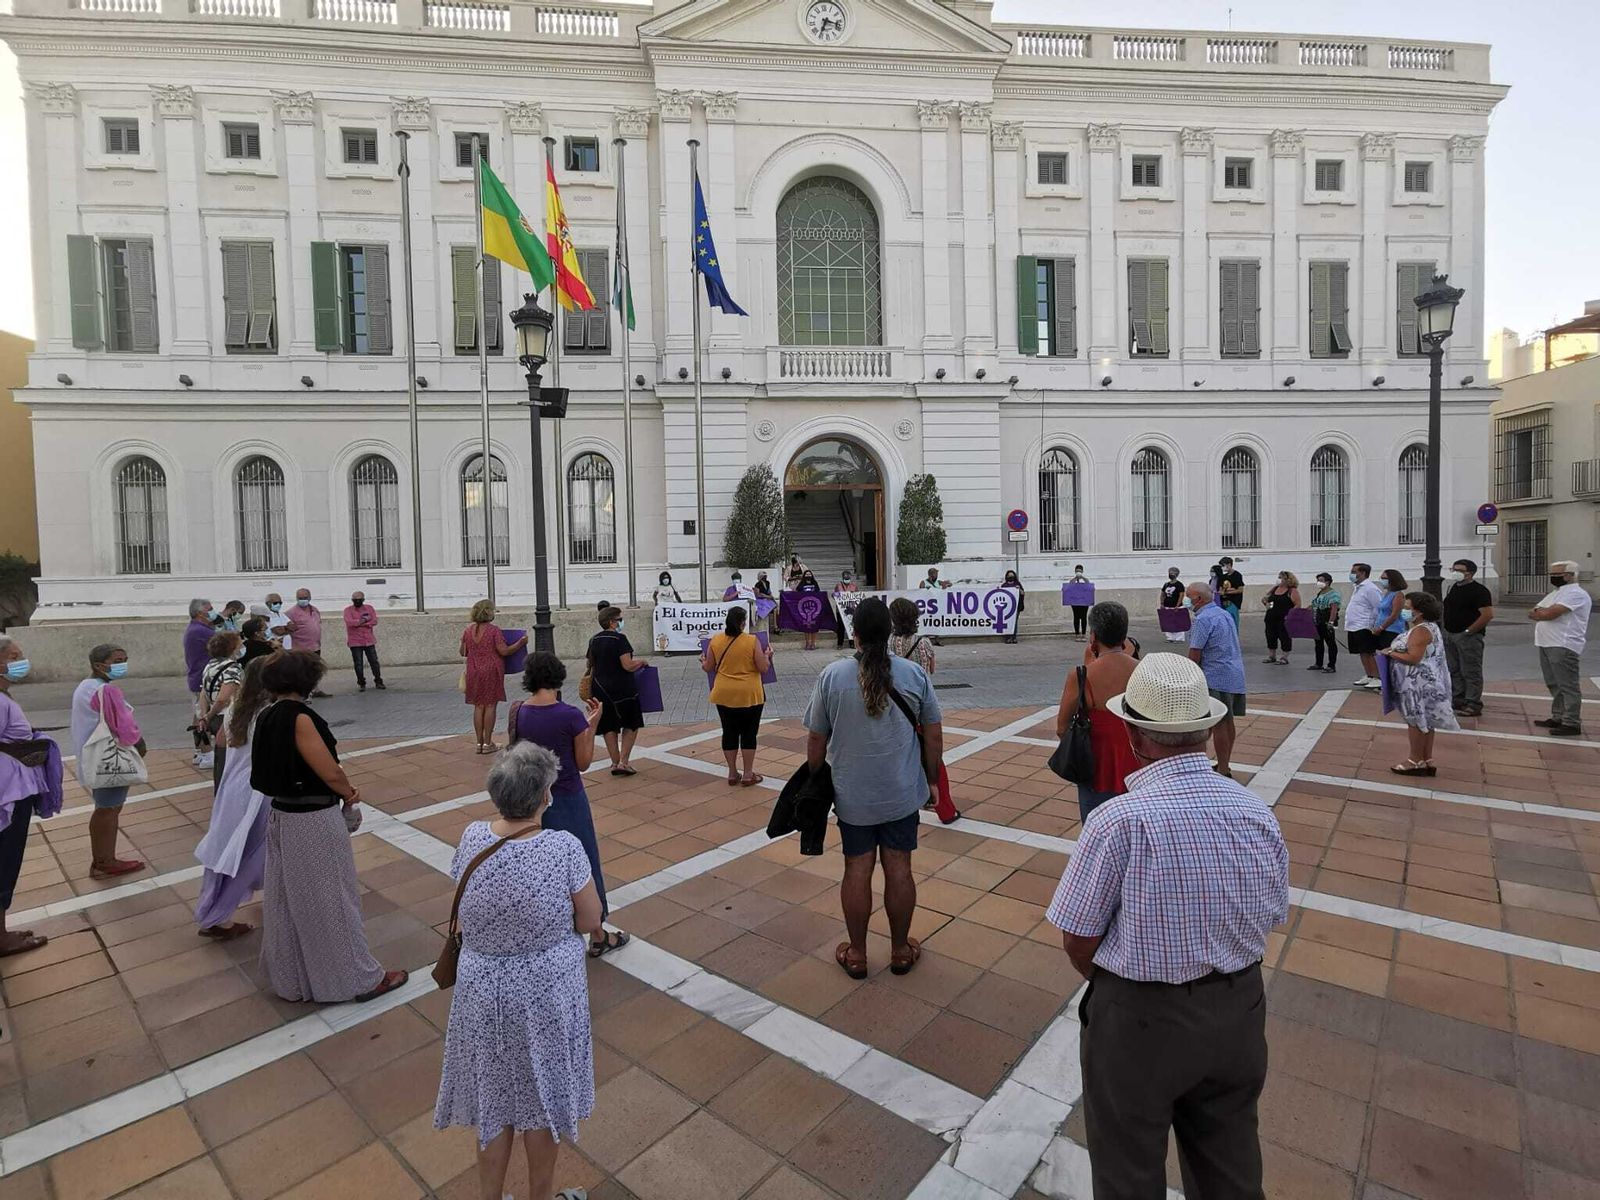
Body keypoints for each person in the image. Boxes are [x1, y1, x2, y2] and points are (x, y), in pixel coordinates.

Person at [1046, 652, 1288, 1200]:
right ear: (1205, 729)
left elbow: (1078, 939)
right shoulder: (1255, 812)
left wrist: (1122, 987)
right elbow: (1272, 914)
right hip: (1237, 1008)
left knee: (1127, 1171)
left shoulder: (1117, 821)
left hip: (1140, 1018)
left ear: (1134, 734)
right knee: (1231, 1168)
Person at [432, 742, 602, 1200]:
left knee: (494, 1099)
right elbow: (590, 919)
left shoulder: (472, 836)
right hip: (546, 991)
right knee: (542, 1099)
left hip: (482, 989)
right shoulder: (563, 848)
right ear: (545, 795)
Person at [252, 650, 407, 1003]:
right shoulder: (300, 718)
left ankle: (294, 978)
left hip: (282, 814)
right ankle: (358, 979)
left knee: (288, 900)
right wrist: (349, 793)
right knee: (332, 900)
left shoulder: (267, 715)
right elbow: (329, 771)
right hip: (312, 818)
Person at [804, 597, 941, 980]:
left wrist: (816, 781)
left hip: (852, 796)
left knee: (857, 869)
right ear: (890, 632)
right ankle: (900, 951)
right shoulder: (914, 675)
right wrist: (932, 780)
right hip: (901, 792)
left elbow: (816, 739)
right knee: (899, 869)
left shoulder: (832, 676)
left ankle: (857, 954)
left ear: (856, 635)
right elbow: (933, 734)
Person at [509, 652, 629, 958]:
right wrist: (592, 725)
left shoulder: (520, 712)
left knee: (542, 865)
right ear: (558, 677)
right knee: (583, 861)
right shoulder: (570, 716)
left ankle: (552, 923)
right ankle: (597, 932)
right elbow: (583, 762)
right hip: (568, 798)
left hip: (532, 801)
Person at [193, 656, 272, 940]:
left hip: (234, 788)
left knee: (227, 850)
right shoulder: (268, 712)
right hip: (259, 791)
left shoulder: (237, 708)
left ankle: (212, 910)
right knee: (249, 856)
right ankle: (219, 917)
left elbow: (222, 743)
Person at [0, 636, 63, 959]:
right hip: (8, 792)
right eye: (14, 657)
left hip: (13, 787)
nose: (20, 662)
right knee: (5, 859)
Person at [69, 644, 148, 879]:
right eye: (117, 661)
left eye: (124, 659)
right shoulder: (106, 690)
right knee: (109, 809)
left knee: (105, 807)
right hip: (110, 757)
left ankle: (102, 859)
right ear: (99, 665)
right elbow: (123, 724)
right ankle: (105, 860)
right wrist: (139, 744)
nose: (122, 664)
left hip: (94, 756)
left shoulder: (86, 686)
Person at [1056, 602, 1140, 822]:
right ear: (1124, 635)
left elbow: (1062, 728)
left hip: (1095, 762)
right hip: (1137, 757)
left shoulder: (1081, 675)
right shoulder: (1142, 669)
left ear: (1093, 636)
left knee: (1095, 822)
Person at [1379, 591, 1459, 776]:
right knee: (1427, 721)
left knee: (1415, 721)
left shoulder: (1420, 630)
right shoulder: (1430, 627)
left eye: (1407, 607)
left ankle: (1414, 760)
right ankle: (1426, 758)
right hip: (1426, 682)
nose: (1404, 610)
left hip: (1415, 684)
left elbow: (1413, 657)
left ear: (1419, 611)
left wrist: (1389, 653)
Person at [702, 604, 774, 787]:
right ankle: (748, 774)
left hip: (723, 692)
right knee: (749, 733)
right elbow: (763, 668)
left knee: (729, 731)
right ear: (743, 623)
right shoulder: (751, 641)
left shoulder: (716, 640)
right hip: (750, 693)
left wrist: (703, 661)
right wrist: (767, 655)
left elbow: (708, 667)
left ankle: (732, 772)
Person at [1186, 582, 1246, 778]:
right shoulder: (1223, 614)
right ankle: (1223, 764)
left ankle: (1222, 769)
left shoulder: (1202, 619)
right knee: (1227, 722)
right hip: (1233, 673)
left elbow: (1195, 652)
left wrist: (1189, 676)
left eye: (1188, 596)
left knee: (1217, 722)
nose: (1186, 600)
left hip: (1214, 676)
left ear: (1198, 599)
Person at [1530, 560, 1592, 738]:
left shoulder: (1576, 594)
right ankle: (1558, 716)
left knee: (1567, 685)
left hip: (1563, 644)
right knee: (1553, 683)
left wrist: (1542, 613)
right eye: (1551, 574)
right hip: (1546, 642)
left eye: (1557, 574)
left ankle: (1571, 722)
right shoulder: (1556, 593)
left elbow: (1549, 613)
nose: (1553, 577)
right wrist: (1541, 612)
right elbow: (1533, 611)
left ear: (1570, 575)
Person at [461, 600, 528, 755]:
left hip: (473, 671)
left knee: (478, 706)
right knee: (490, 705)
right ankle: (487, 743)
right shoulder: (493, 630)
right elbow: (504, 651)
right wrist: (520, 643)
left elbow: (463, 652)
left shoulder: (468, 631)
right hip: (491, 671)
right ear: (488, 612)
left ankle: (479, 743)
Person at [588, 606, 645, 774]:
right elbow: (627, 665)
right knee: (631, 723)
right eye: (619, 619)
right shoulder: (620, 639)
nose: (621, 622)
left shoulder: (594, 640)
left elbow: (590, 664)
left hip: (600, 688)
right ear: (612, 622)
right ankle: (624, 762)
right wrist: (642, 662)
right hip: (623, 688)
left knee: (608, 726)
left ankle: (614, 762)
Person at [1443, 558, 1494, 716]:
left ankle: (1473, 702)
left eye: (1459, 570)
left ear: (1469, 573)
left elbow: (1487, 614)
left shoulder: (1479, 591)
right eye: (1453, 569)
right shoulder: (1453, 588)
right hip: (1450, 634)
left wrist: (1468, 631)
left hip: (1468, 636)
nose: (1455, 573)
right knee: (1454, 669)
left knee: (1471, 670)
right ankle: (1458, 698)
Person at [199, 630, 244, 790]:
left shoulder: (210, 665)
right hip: (227, 717)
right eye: (239, 644)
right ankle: (227, 793)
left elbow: (203, 693)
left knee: (220, 758)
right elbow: (223, 699)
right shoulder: (233, 668)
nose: (241, 647)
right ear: (232, 648)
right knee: (229, 759)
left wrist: (205, 716)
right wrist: (210, 715)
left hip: (214, 717)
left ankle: (220, 790)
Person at [183, 598, 216, 769]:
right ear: (200, 613)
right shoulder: (200, 631)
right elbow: (226, 643)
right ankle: (206, 753)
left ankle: (199, 751)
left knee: (198, 715)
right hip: (202, 679)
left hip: (199, 677)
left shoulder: (199, 628)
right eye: (210, 609)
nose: (213, 612)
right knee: (203, 716)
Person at [1344, 563, 1387, 690]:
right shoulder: (1357, 587)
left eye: (1354, 572)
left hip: (1364, 625)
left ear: (1363, 573)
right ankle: (1369, 674)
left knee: (1369, 652)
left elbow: (1378, 607)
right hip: (1354, 625)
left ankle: (1377, 677)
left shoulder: (1370, 588)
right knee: (1362, 652)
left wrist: (1374, 624)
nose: (1352, 574)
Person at [285, 589, 330, 696]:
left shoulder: (314, 610)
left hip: (315, 646)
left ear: (309, 598)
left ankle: (315, 690)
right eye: (300, 598)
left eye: (305, 598)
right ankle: (303, 692)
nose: (303, 600)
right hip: (301, 648)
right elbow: (286, 628)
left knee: (315, 669)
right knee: (303, 671)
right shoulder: (291, 613)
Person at [344, 590, 385, 692]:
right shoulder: (348, 610)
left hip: (368, 640)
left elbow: (374, 621)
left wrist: (360, 623)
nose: (357, 601)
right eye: (355, 600)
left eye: (359, 599)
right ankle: (361, 683)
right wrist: (365, 621)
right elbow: (350, 623)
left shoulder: (369, 608)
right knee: (358, 664)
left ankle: (378, 681)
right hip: (355, 642)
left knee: (374, 662)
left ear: (363, 599)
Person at [1261, 570, 1301, 665]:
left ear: (1287, 579)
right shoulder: (1275, 589)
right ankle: (1272, 656)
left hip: (1284, 618)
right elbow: (1265, 598)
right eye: (1278, 577)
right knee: (1270, 636)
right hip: (1271, 617)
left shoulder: (1292, 591)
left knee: (1284, 637)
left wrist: (1290, 615)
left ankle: (1284, 657)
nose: (1279, 579)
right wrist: (1266, 603)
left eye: (1281, 578)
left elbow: (1298, 605)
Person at [889, 596, 935, 676]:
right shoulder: (924, 642)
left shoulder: (888, 642)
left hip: (896, 683)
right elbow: (932, 669)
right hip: (919, 683)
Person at [1308, 572, 1341, 674]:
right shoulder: (1320, 593)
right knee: (1318, 643)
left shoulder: (1333, 594)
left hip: (1326, 621)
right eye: (1318, 580)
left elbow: (1334, 609)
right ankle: (1319, 663)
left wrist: (1331, 622)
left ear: (1328, 582)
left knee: (1330, 643)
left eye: (1321, 580)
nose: (1319, 582)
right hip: (1318, 621)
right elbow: (1314, 605)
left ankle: (1331, 665)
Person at [796, 569, 826, 651]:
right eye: (806, 574)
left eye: (809, 574)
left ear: (812, 575)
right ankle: (807, 643)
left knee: (814, 626)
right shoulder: (801, 584)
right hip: (804, 608)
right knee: (806, 626)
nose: (808, 576)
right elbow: (797, 593)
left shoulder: (815, 583)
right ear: (804, 576)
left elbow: (818, 593)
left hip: (814, 607)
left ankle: (813, 643)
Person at [1158, 568, 1186, 644]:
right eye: (1170, 572)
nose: (1170, 574)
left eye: (1173, 573)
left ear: (1176, 574)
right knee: (1168, 622)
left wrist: (1177, 605)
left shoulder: (1179, 585)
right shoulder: (1166, 584)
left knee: (1178, 622)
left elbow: (1181, 595)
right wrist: (1162, 603)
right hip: (1167, 606)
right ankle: (1170, 637)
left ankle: (1179, 638)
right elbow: (1163, 594)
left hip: (1176, 606)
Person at [1216, 556, 1245, 627]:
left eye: (1223, 565)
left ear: (1229, 564)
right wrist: (1224, 591)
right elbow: (1220, 589)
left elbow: (1240, 590)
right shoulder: (1223, 577)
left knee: (1233, 622)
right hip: (1223, 602)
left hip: (1233, 602)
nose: (1222, 567)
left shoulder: (1237, 575)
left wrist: (1227, 592)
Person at [1001, 569, 1025, 644]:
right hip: (1007, 607)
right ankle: (1008, 637)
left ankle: (1014, 637)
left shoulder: (1017, 584)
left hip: (1016, 607)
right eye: (1009, 576)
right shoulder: (1004, 585)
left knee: (1014, 622)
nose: (1010, 577)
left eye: (1012, 575)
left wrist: (1019, 589)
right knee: (1007, 622)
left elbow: (1023, 593)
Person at [1067, 565, 1091, 640]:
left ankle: (1083, 634)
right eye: (1077, 571)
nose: (1078, 572)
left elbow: (1088, 585)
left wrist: (1082, 578)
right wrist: (1075, 579)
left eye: (1080, 571)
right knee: (1076, 617)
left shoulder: (1085, 580)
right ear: (1075, 571)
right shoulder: (1072, 580)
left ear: (1082, 572)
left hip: (1084, 603)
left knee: (1083, 618)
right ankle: (1077, 634)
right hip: (1075, 603)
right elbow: (1070, 587)